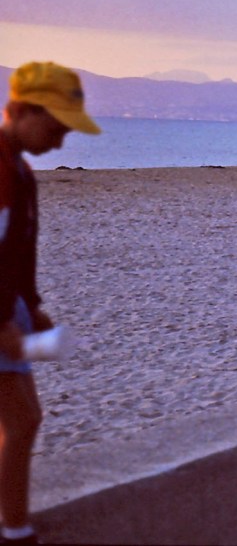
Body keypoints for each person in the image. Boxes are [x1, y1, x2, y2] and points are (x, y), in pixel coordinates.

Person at [0, 62, 101, 545]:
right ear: (21, 110)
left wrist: (31, 304)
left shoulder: (19, 170)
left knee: (22, 419)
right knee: (21, 420)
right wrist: (4, 320)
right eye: (56, 128)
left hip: (10, 307)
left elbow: (18, 248)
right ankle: (15, 531)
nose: (60, 143)